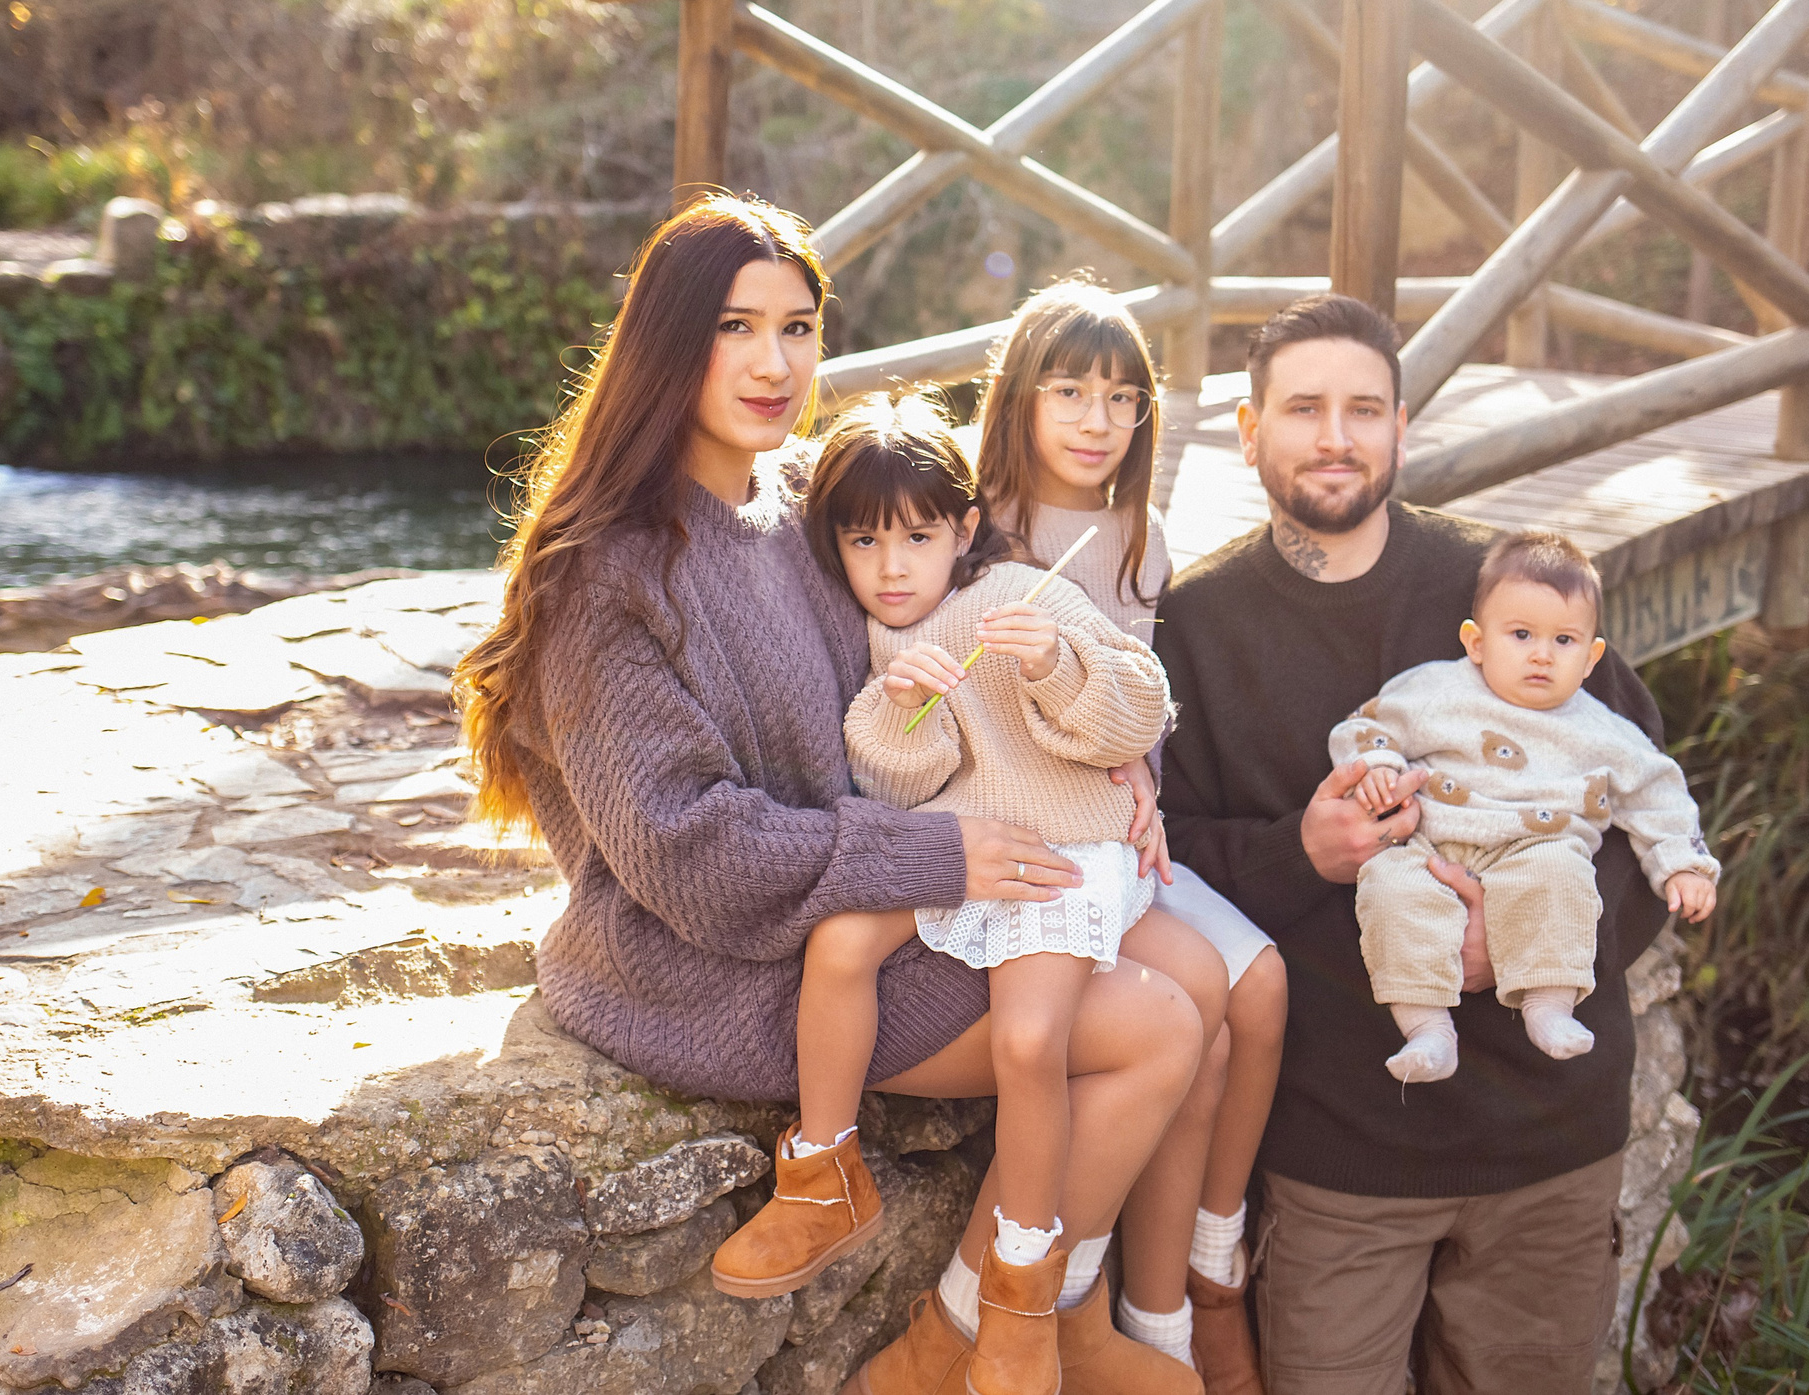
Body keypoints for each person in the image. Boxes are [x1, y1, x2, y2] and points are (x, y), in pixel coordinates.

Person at [451, 194, 1205, 1395]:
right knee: (1157, 1027)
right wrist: (941, 861)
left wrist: (1119, 764)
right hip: (718, 960)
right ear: (664, 343)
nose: (772, 362)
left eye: (797, 328)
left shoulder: (803, 494)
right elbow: (687, 850)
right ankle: (975, 1331)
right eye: (734, 328)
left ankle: (1037, 1322)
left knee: (1205, 982)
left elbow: (985, 601)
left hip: (840, 903)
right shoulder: (610, 572)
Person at [1154, 293, 1674, 1395]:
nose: (1334, 436)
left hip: (1546, 1137)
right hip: (1340, 1151)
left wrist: (1534, 955)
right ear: (1248, 434)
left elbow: (1649, 802)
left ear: (1401, 429)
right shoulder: (1195, 628)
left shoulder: (1503, 591)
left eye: (1363, 409)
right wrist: (1304, 851)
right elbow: (1163, 856)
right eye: (1302, 409)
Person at [713, 394, 1173, 1395]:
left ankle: (1018, 1288)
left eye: (917, 538)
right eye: (863, 540)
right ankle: (823, 1170)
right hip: (955, 854)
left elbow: (1139, 706)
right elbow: (894, 790)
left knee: (1026, 1043)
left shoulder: (1019, 591)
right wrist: (900, 707)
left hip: (1056, 855)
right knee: (839, 942)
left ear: (961, 531)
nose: (889, 568)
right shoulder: (880, 639)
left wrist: (1056, 664)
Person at [975, 280, 1285, 1393]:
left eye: (1121, 397)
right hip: (1036, 841)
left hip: (1122, 830)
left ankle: (1205, 1274)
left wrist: (1141, 784)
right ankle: (1103, 1304)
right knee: (1197, 1010)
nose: (1097, 418)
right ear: (1018, 395)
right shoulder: (976, 531)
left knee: (1262, 986)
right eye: (1069, 389)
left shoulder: (1138, 536)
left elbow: (1135, 700)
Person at [1331, 529, 1720, 1084]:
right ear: (1477, 642)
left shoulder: (1604, 732)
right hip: (1429, 842)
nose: (1541, 654)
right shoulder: (1435, 691)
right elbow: (1367, 726)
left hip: (1536, 844)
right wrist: (1378, 767)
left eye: (1564, 641)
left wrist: (1683, 863)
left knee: (1562, 881)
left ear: (1591, 658)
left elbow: (1658, 793)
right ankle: (1427, 1030)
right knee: (1391, 891)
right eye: (1520, 634)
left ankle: (1550, 1006)